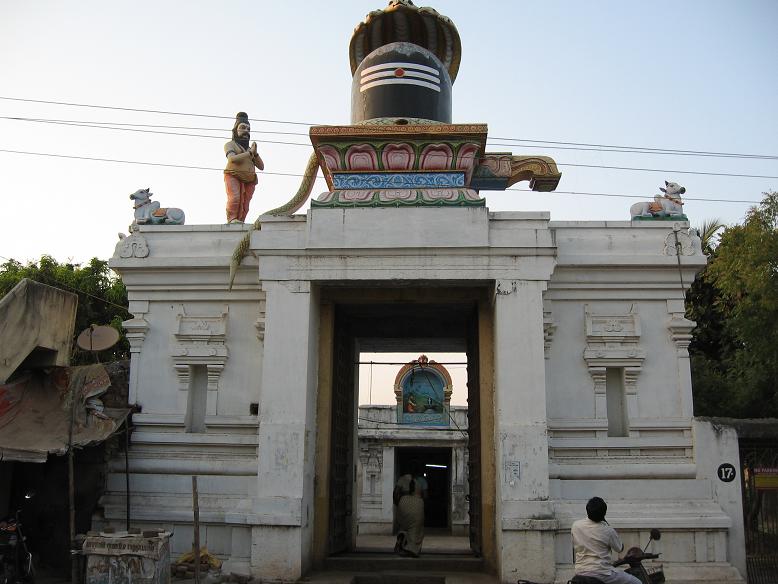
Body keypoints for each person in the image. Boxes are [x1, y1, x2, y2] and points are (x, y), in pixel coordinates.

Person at [571, 497, 640, 584]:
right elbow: (620, 548)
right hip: (602, 572)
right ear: (604, 513)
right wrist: (606, 522)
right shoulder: (607, 530)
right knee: (636, 582)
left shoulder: (576, 526)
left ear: (587, 510)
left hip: (580, 571)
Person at [224, 112, 264, 223]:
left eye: (248, 129)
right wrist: (249, 153)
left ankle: (240, 220)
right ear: (235, 130)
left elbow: (261, 166)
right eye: (242, 127)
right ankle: (232, 219)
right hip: (233, 175)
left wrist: (254, 153)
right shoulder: (230, 144)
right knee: (235, 199)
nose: (246, 131)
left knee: (245, 204)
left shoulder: (249, 150)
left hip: (249, 180)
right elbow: (232, 159)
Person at [392, 460, 428, 557]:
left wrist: (397, 504)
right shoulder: (421, 481)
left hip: (403, 503)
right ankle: (411, 549)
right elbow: (425, 495)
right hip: (417, 504)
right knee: (416, 529)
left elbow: (395, 493)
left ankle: (401, 540)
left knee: (403, 526)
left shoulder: (402, 479)